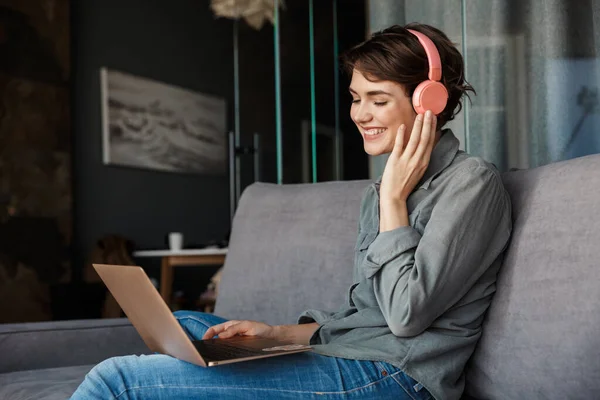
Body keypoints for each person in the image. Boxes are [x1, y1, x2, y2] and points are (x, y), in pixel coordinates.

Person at [71, 23, 512, 400]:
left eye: (377, 99)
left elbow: (405, 315)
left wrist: (394, 203)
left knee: (117, 380)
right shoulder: (377, 191)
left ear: (427, 103)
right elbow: (364, 314)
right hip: (351, 353)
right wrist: (276, 334)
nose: (360, 114)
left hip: (399, 377)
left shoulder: (471, 184)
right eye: (356, 98)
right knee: (187, 324)